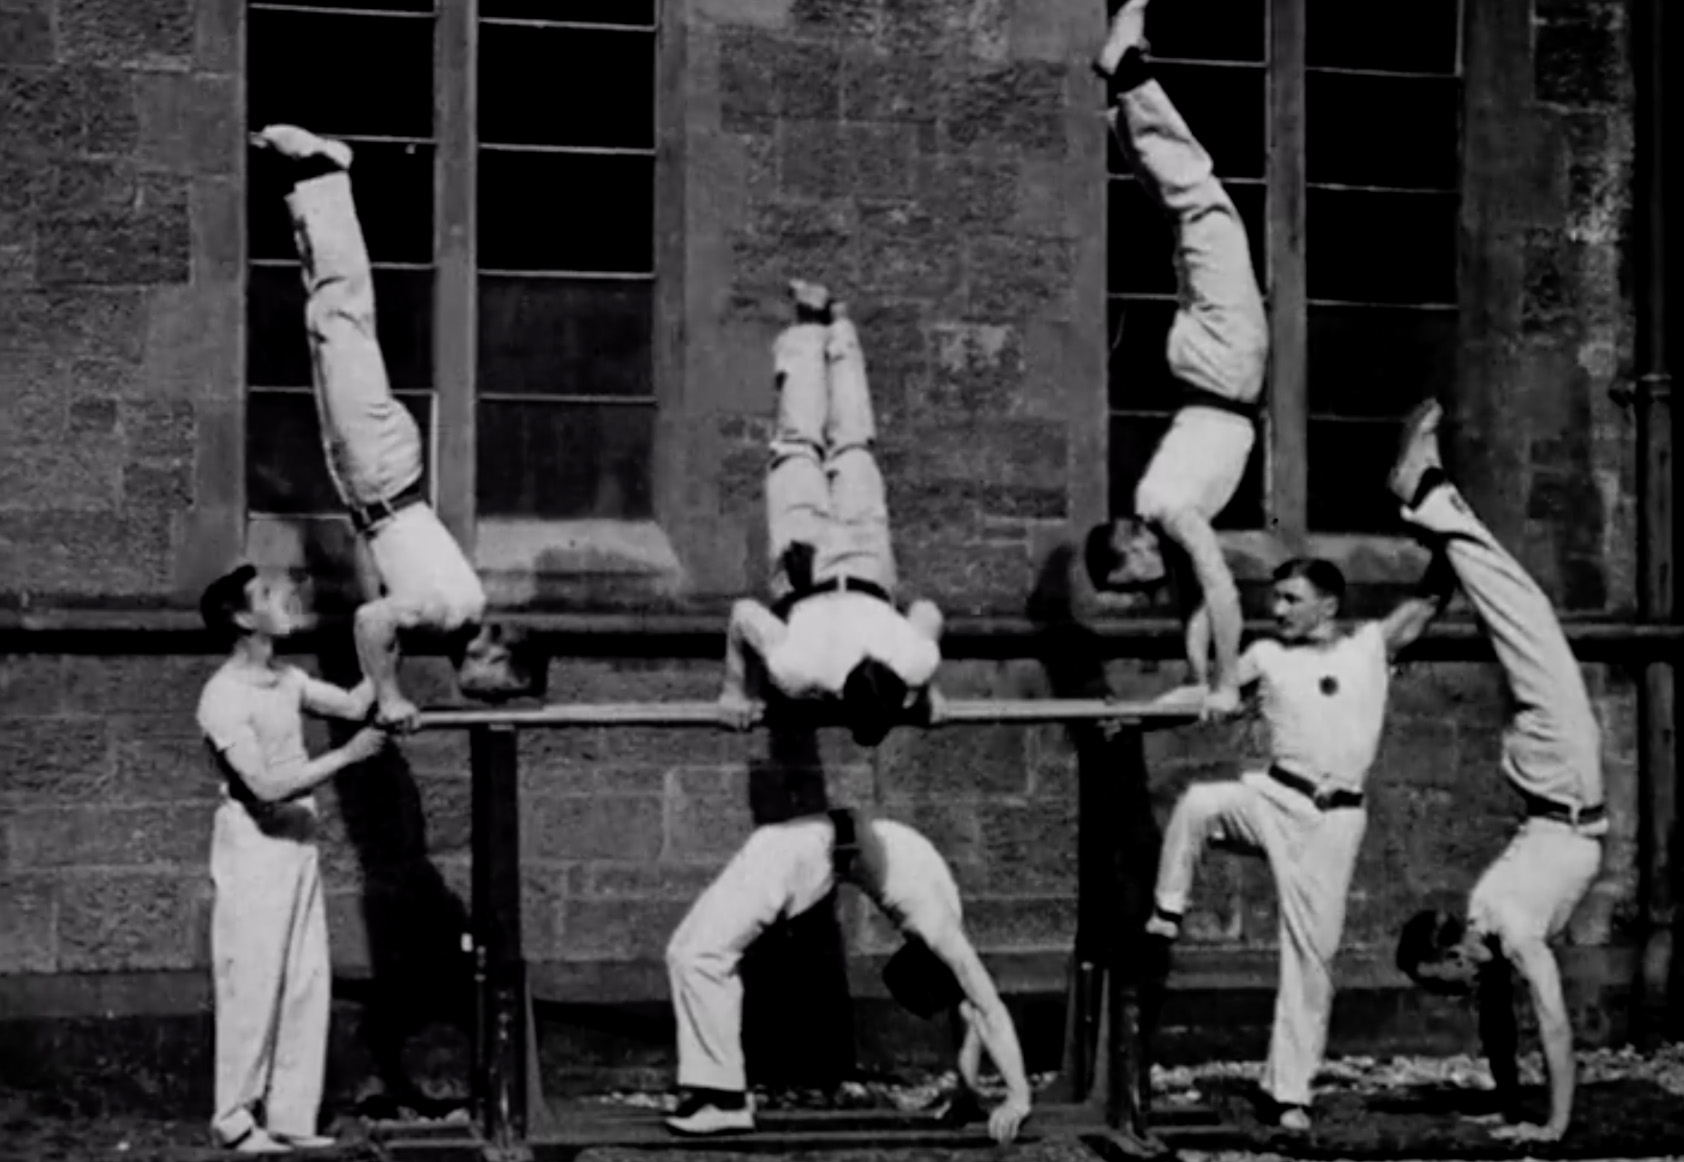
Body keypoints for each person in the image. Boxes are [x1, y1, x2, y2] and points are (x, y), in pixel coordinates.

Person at [1143, 548, 1456, 1132]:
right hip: (1273, 798)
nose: (1278, 609)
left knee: (1313, 958)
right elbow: (1206, 693)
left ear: (1328, 606)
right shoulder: (1267, 655)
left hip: (1332, 821)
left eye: (1292, 599)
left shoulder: (1368, 648)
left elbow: (1426, 604)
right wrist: (1135, 715)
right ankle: (1167, 910)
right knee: (1201, 803)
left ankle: (1288, 1092)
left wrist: (1450, 537)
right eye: (1276, 598)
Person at [250, 124, 544, 730]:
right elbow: (370, 620)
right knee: (340, 318)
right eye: (498, 691)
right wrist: (386, 696)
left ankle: (309, 186)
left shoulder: (451, 614)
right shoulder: (446, 610)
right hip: (380, 471)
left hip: (378, 480)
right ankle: (325, 170)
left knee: (328, 322)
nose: (484, 699)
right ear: (495, 655)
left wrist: (377, 685)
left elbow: (386, 626)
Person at [1391, 401, 1606, 1145]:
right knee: (1519, 618)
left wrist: (1553, 1127)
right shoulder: (1489, 928)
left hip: (1559, 778)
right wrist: (1512, 1104)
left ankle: (1428, 495)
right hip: (1550, 786)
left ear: (1452, 954)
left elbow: (1552, 1021)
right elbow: (1503, 1022)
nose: (1446, 996)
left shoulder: (1507, 929)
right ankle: (1437, 509)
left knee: (1525, 617)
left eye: (1439, 983)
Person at [1080, 0, 1270, 719]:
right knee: (1189, 214)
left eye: (1131, 580)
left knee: (1204, 210)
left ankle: (1128, 75)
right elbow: (1197, 602)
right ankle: (1124, 103)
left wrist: (1225, 683)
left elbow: (1220, 585)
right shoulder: (1163, 518)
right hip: (1211, 369)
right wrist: (1199, 679)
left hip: (1221, 367)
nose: (1144, 588)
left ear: (1129, 546)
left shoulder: (1165, 507)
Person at [664, 808, 1032, 1142]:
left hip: (806, 843)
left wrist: (968, 1094)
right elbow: (989, 1011)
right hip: (805, 853)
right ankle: (724, 1101)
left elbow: (970, 1014)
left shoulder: (943, 913)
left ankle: (714, 1090)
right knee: (700, 955)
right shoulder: (939, 931)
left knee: (687, 952)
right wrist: (1018, 1098)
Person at [195, 564, 392, 1153]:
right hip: (254, 848)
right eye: (266, 594)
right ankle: (234, 1120)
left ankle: (290, 1116)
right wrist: (347, 758)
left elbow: (355, 704)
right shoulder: (222, 697)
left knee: (305, 980)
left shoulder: (286, 679)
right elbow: (264, 786)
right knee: (253, 983)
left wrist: (386, 638)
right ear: (241, 618)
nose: (284, 598)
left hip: (299, 842)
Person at [717, 280, 944, 746]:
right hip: (816, 566)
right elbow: (743, 614)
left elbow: (927, 613)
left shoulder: (914, 661)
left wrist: (927, 689)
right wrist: (735, 692)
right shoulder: (799, 671)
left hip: (859, 562)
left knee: (849, 446)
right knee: (802, 445)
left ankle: (839, 324)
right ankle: (813, 319)